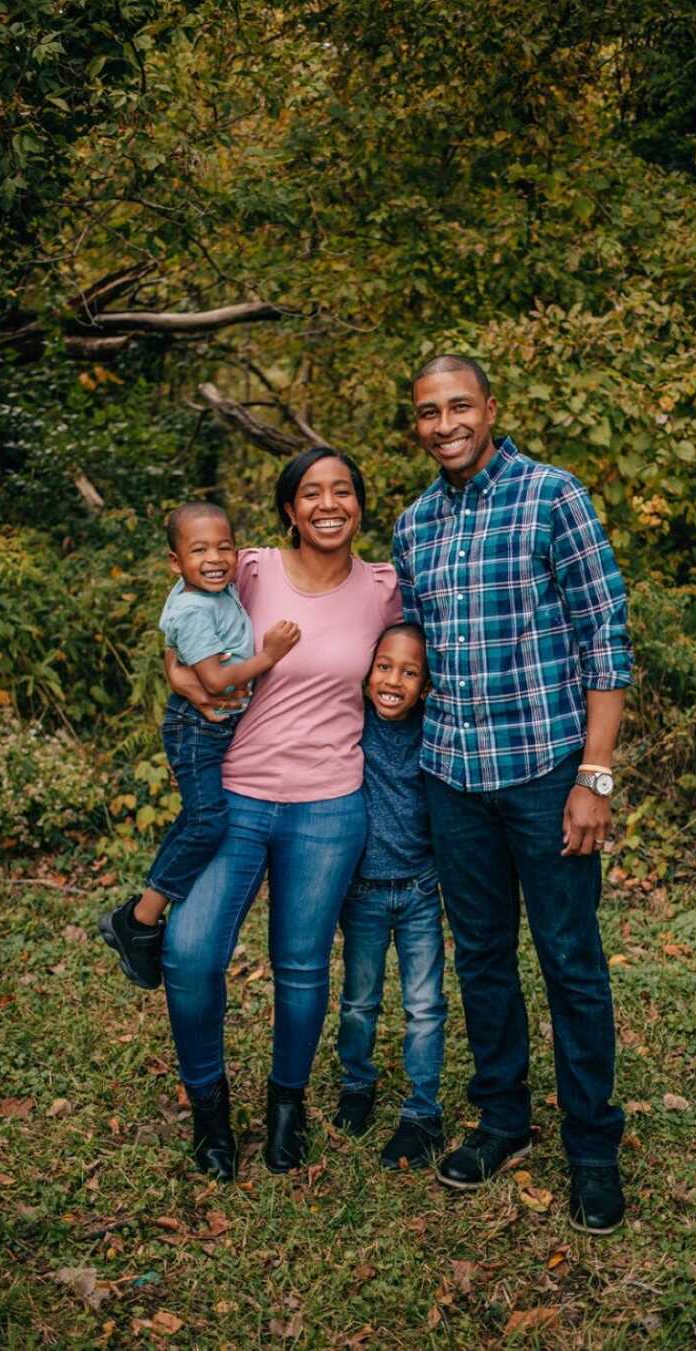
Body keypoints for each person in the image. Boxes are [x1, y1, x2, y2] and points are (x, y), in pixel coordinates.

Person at [393, 354, 633, 1234]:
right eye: (428, 411)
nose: (445, 422)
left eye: (460, 405)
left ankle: (593, 1148)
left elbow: (605, 632)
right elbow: (411, 655)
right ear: (416, 425)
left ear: (491, 408)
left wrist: (593, 775)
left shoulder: (550, 495)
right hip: (452, 776)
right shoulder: (414, 527)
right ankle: (503, 1120)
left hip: (543, 773)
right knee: (482, 957)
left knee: (570, 958)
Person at [161, 448, 402, 1181]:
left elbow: (412, 672)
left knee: (301, 966)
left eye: (343, 491)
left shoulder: (386, 590)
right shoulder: (252, 569)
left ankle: (285, 1109)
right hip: (235, 793)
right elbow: (183, 623)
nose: (329, 504)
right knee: (191, 954)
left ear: (359, 503)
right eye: (311, 493)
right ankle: (210, 1112)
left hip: (330, 805)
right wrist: (180, 677)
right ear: (290, 509)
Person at [98, 503, 300, 989]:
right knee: (209, 822)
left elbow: (180, 639)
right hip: (197, 726)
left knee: (197, 816)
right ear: (175, 562)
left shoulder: (213, 585)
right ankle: (139, 922)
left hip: (213, 727)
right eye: (200, 550)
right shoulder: (193, 606)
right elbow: (213, 679)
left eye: (223, 547)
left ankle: (136, 920)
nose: (215, 558)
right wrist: (269, 656)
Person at [334, 622, 447, 1170]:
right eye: (384, 667)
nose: (393, 680)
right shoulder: (349, 725)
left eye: (409, 672)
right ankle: (357, 1084)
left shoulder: (435, 733)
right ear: (367, 670)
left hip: (422, 889)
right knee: (359, 1002)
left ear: (425, 686)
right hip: (362, 892)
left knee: (424, 1007)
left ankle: (424, 1110)